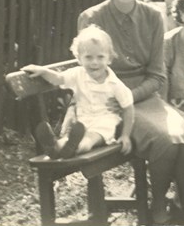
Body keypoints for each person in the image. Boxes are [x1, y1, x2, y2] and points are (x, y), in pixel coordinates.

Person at [78, 0, 184, 225]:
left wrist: (130, 96)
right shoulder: (91, 18)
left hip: (142, 96)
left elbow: (157, 75)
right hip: (105, 102)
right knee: (165, 139)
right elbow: (87, 71)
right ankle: (157, 207)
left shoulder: (153, 17)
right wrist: (117, 99)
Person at [22, 25, 134, 159]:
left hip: (104, 123)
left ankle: (73, 148)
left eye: (100, 57)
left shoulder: (115, 84)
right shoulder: (78, 74)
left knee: (88, 140)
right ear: (79, 58)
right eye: (88, 57)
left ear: (109, 59)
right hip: (82, 122)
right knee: (69, 139)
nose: (94, 62)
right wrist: (43, 71)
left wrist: (125, 135)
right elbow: (59, 79)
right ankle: (54, 147)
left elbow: (128, 108)